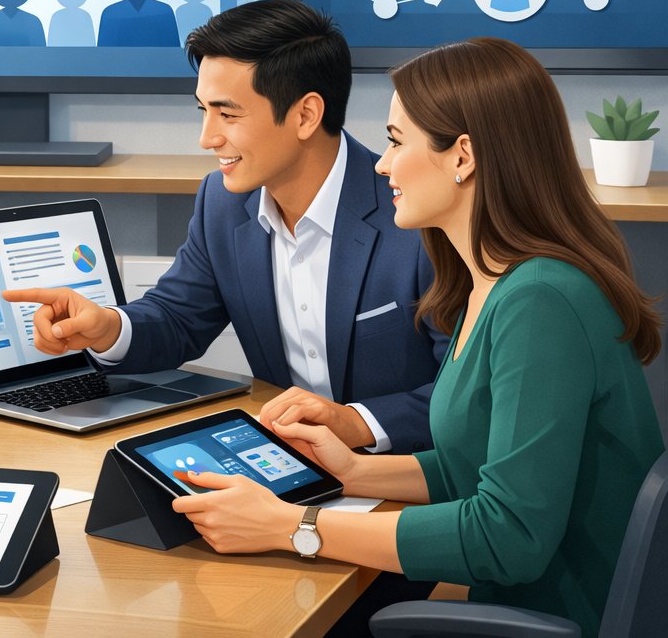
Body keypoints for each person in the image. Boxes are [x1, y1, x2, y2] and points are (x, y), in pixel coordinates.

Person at [167, 37, 664, 638]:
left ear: (463, 156)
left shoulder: (540, 302)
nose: (380, 164)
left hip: (558, 614)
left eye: (397, 141)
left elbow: (508, 537)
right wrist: (349, 473)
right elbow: (474, 466)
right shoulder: (487, 283)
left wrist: (293, 526)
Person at [5, 0, 445, 454]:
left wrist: (354, 423)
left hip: (407, 479)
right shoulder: (223, 201)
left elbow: (467, 397)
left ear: (305, 115)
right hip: (285, 468)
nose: (207, 137)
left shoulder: (415, 216)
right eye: (203, 110)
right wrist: (107, 329)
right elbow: (177, 318)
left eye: (228, 114)